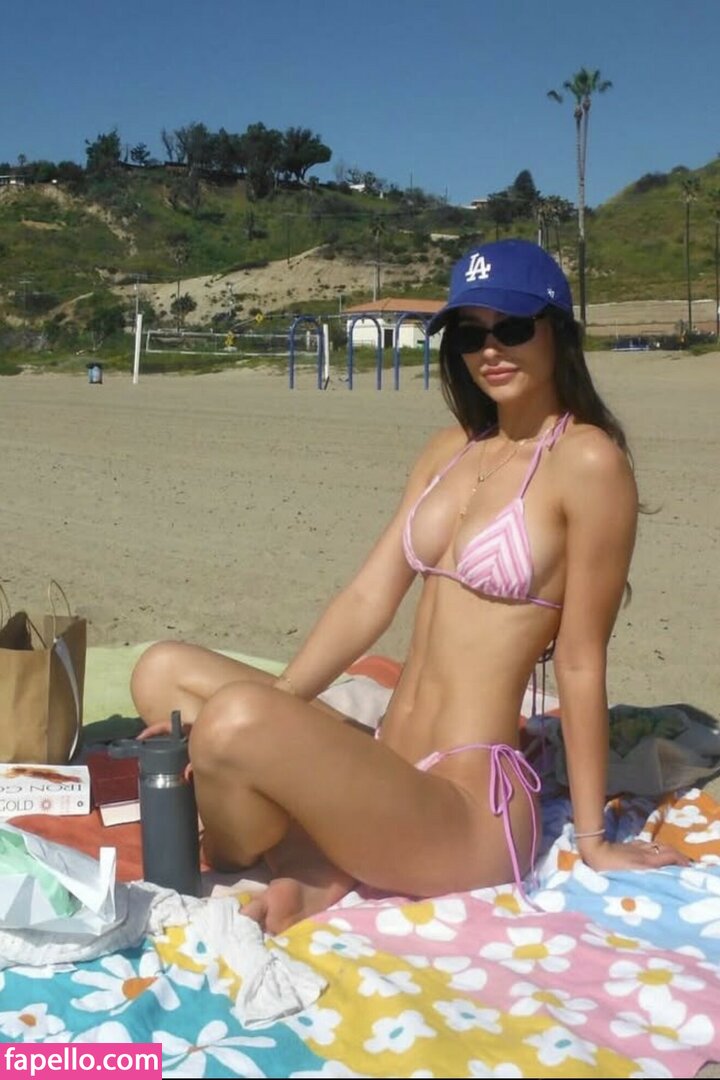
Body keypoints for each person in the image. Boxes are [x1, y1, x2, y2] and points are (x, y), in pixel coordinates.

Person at [130, 238, 688, 933]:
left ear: (558, 332)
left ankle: (283, 846)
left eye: (513, 328)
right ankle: (314, 847)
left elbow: (579, 659)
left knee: (231, 724)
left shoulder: (588, 461)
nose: (491, 350)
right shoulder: (450, 449)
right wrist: (283, 706)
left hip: (467, 808)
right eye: (470, 334)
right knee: (163, 671)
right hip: (387, 759)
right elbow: (368, 598)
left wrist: (595, 839)